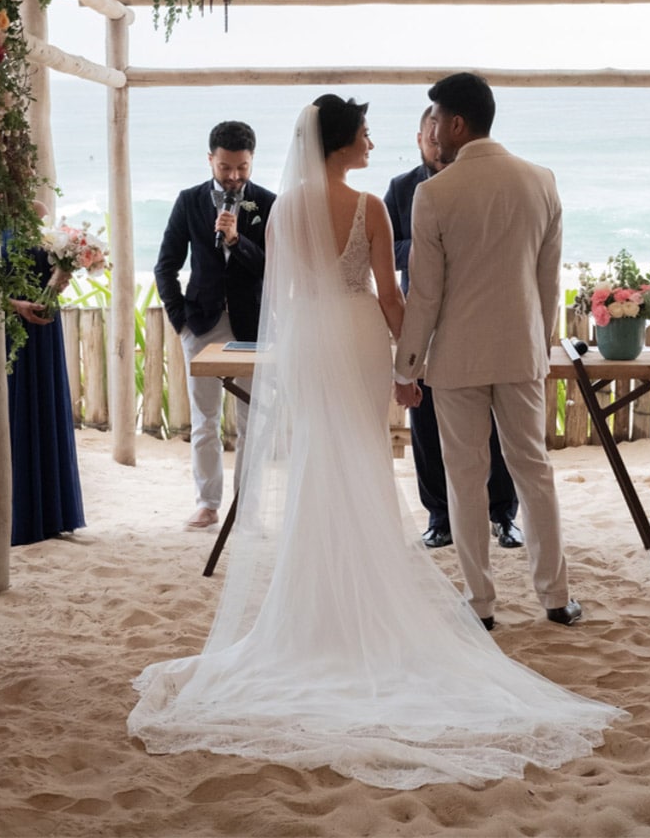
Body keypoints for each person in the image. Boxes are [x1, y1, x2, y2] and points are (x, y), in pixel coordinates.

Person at [129, 95, 625, 787]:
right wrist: (406, 365)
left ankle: (315, 602)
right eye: (363, 134)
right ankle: (400, 592)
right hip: (359, 334)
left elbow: (283, 291)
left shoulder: (285, 210)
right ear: (339, 143)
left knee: (316, 465)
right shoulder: (366, 206)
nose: (372, 141)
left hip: (309, 343)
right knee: (362, 462)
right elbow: (394, 298)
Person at [394, 73, 580, 631]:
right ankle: (556, 597)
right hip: (521, 353)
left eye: (433, 119)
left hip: (455, 359)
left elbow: (426, 293)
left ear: (455, 124)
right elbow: (549, 284)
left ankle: (481, 605)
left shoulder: (434, 192)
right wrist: (538, 343)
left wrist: (407, 365)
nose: (430, 130)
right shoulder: (541, 181)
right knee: (535, 471)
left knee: (465, 478)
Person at [385, 105, 522, 549]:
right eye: (428, 132)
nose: (435, 138)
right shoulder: (402, 188)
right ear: (420, 136)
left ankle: (503, 514)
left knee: (495, 426)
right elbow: (386, 248)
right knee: (423, 425)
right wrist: (429, 249)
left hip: (478, 321)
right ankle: (439, 516)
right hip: (422, 320)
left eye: (439, 129)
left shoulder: (478, 181)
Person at [154, 120, 275, 530]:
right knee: (205, 419)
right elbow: (165, 266)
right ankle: (207, 502)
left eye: (242, 167)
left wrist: (238, 240)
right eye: (226, 167)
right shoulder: (189, 201)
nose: (235, 176)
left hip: (252, 327)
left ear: (252, 160)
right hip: (202, 324)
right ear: (211, 160)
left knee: (251, 420)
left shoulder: (269, 203)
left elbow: (274, 267)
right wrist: (180, 322)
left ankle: (248, 506)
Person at [4, 203, 85, 546]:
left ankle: (50, 514)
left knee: (42, 411)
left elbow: (49, 266)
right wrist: (12, 305)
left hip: (42, 331)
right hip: (5, 328)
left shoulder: (36, 213)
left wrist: (60, 278)